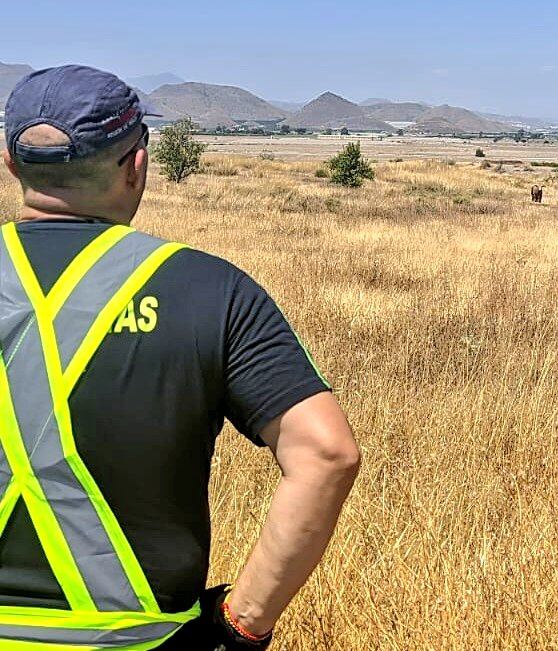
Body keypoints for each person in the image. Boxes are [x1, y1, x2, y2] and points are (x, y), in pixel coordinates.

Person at [0, 65, 361, 649]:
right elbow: (325, 453)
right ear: (137, 164)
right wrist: (241, 625)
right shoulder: (212, 291)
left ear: (12, 163)